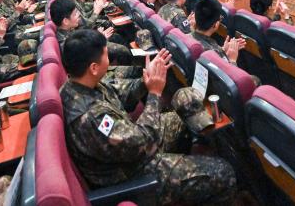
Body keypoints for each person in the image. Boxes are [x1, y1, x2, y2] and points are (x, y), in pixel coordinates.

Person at [60, 29, 236, 205]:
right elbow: (143, 141)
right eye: (106, 56)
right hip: (133, 174)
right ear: (93, 67)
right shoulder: (90, 118)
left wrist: (146, 81)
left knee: (182, 111)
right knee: (224, 172)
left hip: (132, 146)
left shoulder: (80, 84)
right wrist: (154, 93)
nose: (109, 59)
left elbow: (121, 93)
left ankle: (188, 183)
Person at [50, 0, 133, 67]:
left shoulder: (67, 29)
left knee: (116, 37)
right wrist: (99, 39)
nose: (79, 15)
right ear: (65, 21)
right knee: (123, 51)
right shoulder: (65, 43)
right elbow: (84, 57)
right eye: (75, 14)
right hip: (89, 68)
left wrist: (96, 35)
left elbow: (80, 37)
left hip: (89, 52)